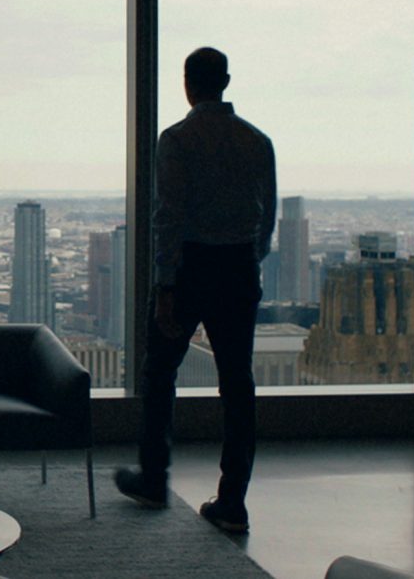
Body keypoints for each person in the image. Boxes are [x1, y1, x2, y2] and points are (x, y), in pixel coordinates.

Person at [114, 46, 275, 533]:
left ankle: (154, 478)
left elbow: (169, 218)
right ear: (226, 81)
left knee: (160, 372)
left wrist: (165, 285)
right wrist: (249, 260)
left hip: (189, 267)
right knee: (238, 384)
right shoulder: (258, 141)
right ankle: (233, 500)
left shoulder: (177, 140)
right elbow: (267, 218)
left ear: (188, 83)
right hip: (238, 266)